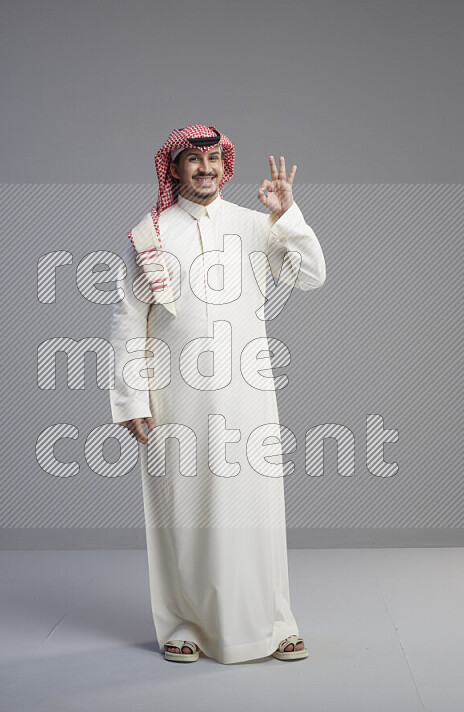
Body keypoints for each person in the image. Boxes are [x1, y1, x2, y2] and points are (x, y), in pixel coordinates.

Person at [109, 124, 326, 664]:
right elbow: (128, 320)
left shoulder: (255, 226)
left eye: (213, 158)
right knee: (181, 510)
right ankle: (184, 624)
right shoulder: (150, 233)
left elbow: (311, 276)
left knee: (257, 508)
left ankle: (276, 622)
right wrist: (132, 398)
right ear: (175, 168)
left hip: (247, 392)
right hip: (175, 397)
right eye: (193, 160)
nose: (204, 168)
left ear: (224, 165)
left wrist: (286, 216)